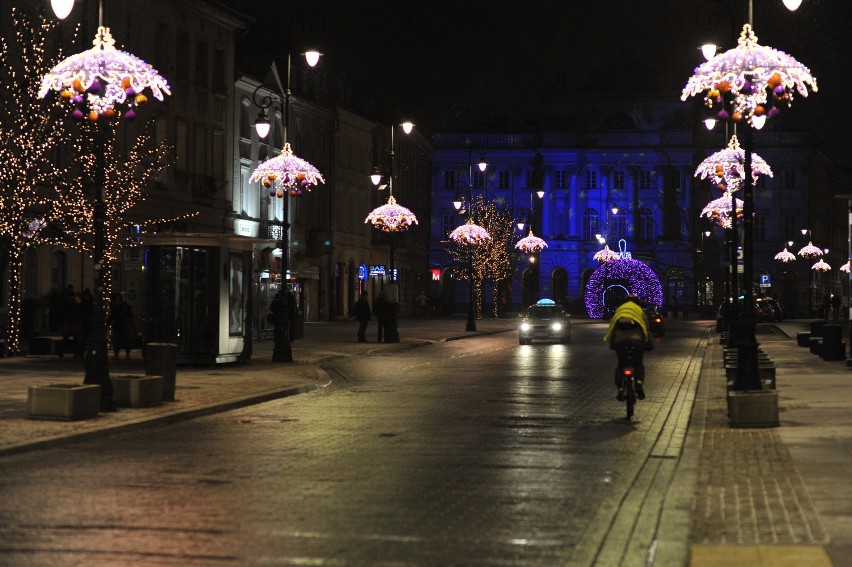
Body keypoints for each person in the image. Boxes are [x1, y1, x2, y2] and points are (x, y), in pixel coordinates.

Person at [603, 295, 654, 401]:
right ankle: (639, 384)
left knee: (621, 366)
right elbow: (647, 328)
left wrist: (612, 344)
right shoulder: (639, 310)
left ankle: (620, 388)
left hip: (620, 342)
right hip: (637, 341)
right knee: (638, 365)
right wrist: (649, 344)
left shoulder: (620, 310)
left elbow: (612, 327)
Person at [57, 285, 81, 358]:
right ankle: (76, 352)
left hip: (70, 321)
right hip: (70, 321)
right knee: (73, 338)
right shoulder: (74, 303)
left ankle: (65, 351)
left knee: (68, 338)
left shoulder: (67, 303)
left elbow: (62, 312)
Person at [107, 293, 133, 360]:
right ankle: (117, 354)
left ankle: (127, 353)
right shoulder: (114, 307)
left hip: (124, 325)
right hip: (117, 325)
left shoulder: (125, 307)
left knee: (125, 340)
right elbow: (111, 316)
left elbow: (129, 316)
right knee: (117, 340)